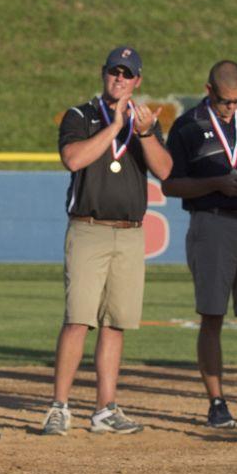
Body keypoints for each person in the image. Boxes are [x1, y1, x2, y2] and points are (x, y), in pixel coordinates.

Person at [41, 46, 170, 436]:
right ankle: (60, 406)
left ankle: (104, 408)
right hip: (89, 228)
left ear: (138, 81)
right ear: (103, 74)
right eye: (115, 71)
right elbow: (74, 159)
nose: (120, 78)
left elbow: (165, 170)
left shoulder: (144, 119)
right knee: (78, 319)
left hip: (131, 233)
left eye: (127, 74)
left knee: (117, 323)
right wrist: (114, 128)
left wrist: (143, 132)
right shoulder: (81, 115)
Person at [161, 60, 237, 429]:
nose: (232, 107)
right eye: (226, 100)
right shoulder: (188, 125)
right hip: (211, 222)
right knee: (212, 315)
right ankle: (217, 402)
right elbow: (171, 184)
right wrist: (214, 185)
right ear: (209, 90)